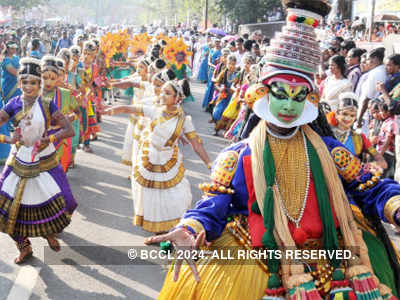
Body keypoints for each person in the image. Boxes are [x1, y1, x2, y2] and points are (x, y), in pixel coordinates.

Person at [145, 2, 400, 299]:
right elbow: (214, 204)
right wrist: (190, 228)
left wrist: (395, 207)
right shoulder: (238, 156)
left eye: (298, 95)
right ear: (262, 94)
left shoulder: (330, 151)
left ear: (310, 100)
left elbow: (368, 188)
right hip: (257, 257)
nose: (290, 105)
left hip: (332, 257)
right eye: (281, 94)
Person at [103, 79, 211, 233]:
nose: (162, 95)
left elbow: (197, 144)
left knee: (177, 195)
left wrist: (209, 164)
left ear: (178, 99)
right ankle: (158, 229)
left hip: (169, 160)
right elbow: (129, 108)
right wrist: (110, 110)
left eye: (167, 93)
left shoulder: (184, 120)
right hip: (150, 156)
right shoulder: (154, 110)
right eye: (162, 92)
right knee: (151, 195)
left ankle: (173, 227)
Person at [0, 57, 77, 264]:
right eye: (24, 82)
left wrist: (50, 138)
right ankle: (24, 247)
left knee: (66, 201)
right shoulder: (13, 104)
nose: (28, 86)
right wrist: (8, 138)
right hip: (18, 160)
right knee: (6, 208)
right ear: (19, 84)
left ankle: (48, 232)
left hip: (46, 160)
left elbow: (68, 130)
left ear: (39, 84)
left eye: (33, 82)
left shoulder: (47, 104)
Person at [328, 92, 387, 169]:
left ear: (355, 117)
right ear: (337, 114)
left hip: (351, 178)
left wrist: (367, 166)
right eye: (345, 114)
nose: (348, 118)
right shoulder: (327, 133)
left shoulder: (359, 138)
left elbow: (383, 163)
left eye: (352, 115)